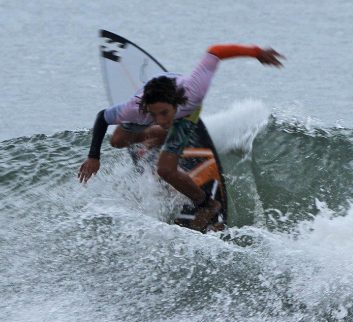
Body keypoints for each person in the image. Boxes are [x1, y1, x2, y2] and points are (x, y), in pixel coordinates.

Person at [79, 43, 284, 229]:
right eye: (154, 114)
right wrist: (93, 156)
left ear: (175, 103)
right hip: (153, 106)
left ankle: (207, 204)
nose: (159, 118)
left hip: (187, 113)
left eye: (164, 113)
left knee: (166, 170)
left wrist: (256, 52)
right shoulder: (135, 109)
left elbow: (216, 52)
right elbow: (102, 117)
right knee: (117, 142)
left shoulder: (194, 90)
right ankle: (159, 135)